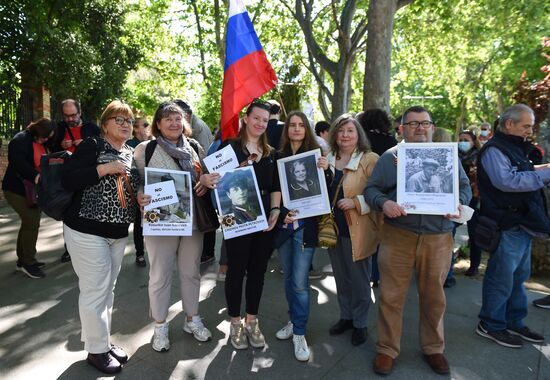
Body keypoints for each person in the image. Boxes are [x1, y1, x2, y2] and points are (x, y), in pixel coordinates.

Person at [365, 106, 471, 376]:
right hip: (398, 235)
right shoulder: (390, 157)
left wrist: (459, 204)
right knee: (390, 296)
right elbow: (371, 190)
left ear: (432, 127)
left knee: (434, 297)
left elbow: (465, 188)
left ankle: (434, 348)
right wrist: (384, 203)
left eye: (425, 123)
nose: (420, 128)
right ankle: (387, 349)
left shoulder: (447, 157)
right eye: (413, 124)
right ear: (402, 128)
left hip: (438, 238)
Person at [62, 100, 139, 374]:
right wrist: (103, 169)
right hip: (85, 230)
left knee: (107, 289)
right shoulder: (92, 146)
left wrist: (140, 198)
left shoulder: (130, 153)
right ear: (105, 123)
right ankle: (96, 351)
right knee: (95, 290)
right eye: (118, 119)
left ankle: (102, 342)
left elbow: (132, 191)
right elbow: (68, 179)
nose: (125, 125)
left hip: (117, 234)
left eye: (128, 120)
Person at [200, 99, 281, 350]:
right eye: (256, 118)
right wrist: (209, 177)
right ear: (246, 118)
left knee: (258, 271)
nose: (260, 123)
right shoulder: (228, 148)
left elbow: (276, 186)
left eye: (265, 120)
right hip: (236, 218)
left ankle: (252, 321)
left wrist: (276, 210)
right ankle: (235, 322)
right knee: (236, 270)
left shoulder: (271, 152)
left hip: (264, 219)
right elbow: (212, 179)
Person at [134, 102, 212, 353]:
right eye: (167, 119)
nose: (174, 123)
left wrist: (205, 181)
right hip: (161, 223)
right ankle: (160, 325)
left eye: (178, 119)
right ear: (157, 123)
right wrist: (140, 195)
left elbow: (207, 174)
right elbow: (136, 182)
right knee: (160, 274)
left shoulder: (195, 147)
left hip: (192, 222)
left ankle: (192, 319)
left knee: (191, 272)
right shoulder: (145, 149)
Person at [475, 104, 548, 349]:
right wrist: (546, 174)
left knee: (518, 278)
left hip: (522, 224)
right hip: (507, 224)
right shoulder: (494, 149)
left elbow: (521, 172)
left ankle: (514, 321)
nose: (530, 130)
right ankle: (491, 324)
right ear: (509, 124)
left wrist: (544, 169)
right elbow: (507, 181)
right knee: (501, 278)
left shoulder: (513, 147)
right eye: (526, 125)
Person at [273, 110, 329, 362]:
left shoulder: (317, 158)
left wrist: (326, 171)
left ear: (307, 129)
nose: (296, 129)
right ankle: (292, 319)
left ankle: (299, 331)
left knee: (299, 281)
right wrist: (282, 212)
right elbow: (272, 191)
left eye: (300, 125)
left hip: (307, 228)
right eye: (292, 125)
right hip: (284, 228)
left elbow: (327, 193)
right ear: (287, 130)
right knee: (288, 279)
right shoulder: (277, 157)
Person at [326, 113, 381, 347]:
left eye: (350, 130)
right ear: (334, 135)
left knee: (360, 280)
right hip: (332, 229)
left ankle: (360, 323)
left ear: (359, 135)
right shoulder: (327, 157)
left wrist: (357, 202)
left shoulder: (370, 159)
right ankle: (346, 317)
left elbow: (380, 193)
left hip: (357, 228)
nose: (345, 135)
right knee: (341, 277)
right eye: (340, 130)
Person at [2, 118, 55, 279]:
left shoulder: (42, 140)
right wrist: (36, 176)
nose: (46, 140)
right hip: (16, 190)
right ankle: (28, 263)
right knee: (31, 221)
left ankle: (22, 260)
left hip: (32, 191)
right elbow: (18, 163)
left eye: (48, 138)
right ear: (37, 132)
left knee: (29, 223)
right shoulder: (20, 140)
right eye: (44, 137)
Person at [53, 99, 101, 263]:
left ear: (80, 113)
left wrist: (86, 144)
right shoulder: (58, 128)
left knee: (90, 212)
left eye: (73, 115)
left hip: (88, 178)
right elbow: (49, 150)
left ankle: (91, 247)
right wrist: (60, 145)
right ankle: (69, 249)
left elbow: (102, 147)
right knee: (68, 215)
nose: (70, 119)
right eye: (66, 116)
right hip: (67, 178)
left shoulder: (92, 128)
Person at [356, 109, 398, 287]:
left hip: (362, 192)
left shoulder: (362, 140)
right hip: (387, 195)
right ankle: (376, 275)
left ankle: (364, 274)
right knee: (381, 237)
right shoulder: (392, 142)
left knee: (366, 235)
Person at [126, 116, 151, 267]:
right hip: (134, 188)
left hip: (151, 187)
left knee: (151, 220)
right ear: (136, 128)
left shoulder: (153, 143)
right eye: (145, 124)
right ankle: (140, 253)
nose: (148, 127)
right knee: (138, 222)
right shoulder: (130, 145)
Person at [458, 130, 482, 277]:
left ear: (473, 142)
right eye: (460, 139)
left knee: (474, 232)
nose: (462, 142)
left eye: (466, 139)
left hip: (474, 197)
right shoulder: (454, 155)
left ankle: (474, 265)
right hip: (457, 197)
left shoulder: (480, 156)